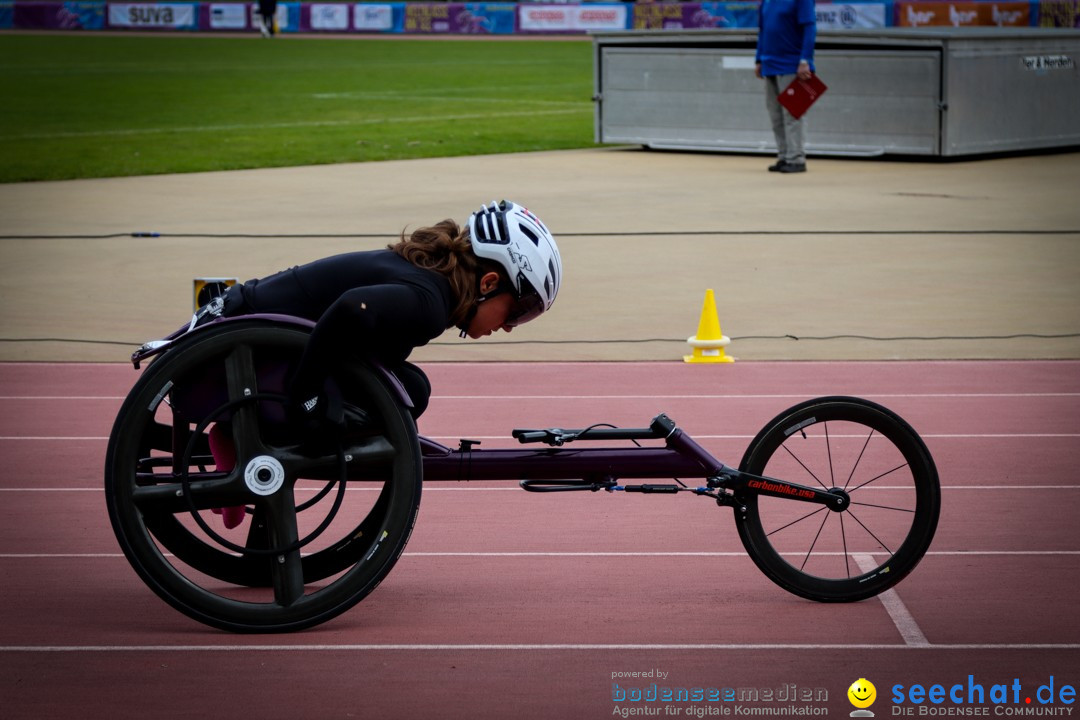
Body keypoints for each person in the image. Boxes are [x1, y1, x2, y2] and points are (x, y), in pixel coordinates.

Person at [208, 200, 562, 428]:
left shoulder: (431, 285)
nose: (510, 327)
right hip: (234, 348)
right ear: (488, 282)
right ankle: (251, 440)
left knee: (410, 386)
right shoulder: (429, 304)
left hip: (243, 325)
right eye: (518, 310)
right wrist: (307, 395)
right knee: (409, 392)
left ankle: (243, 436)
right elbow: (351, 308)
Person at [754, 0, 816, 174]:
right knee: (776, 115)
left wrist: (805, 60)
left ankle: (796, 159)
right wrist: (759, 59)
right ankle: (784, 156)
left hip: (793, 64)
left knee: (794, 114)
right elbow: (763, 31)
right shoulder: (766, 2)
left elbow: (809, 27)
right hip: (770, 63)